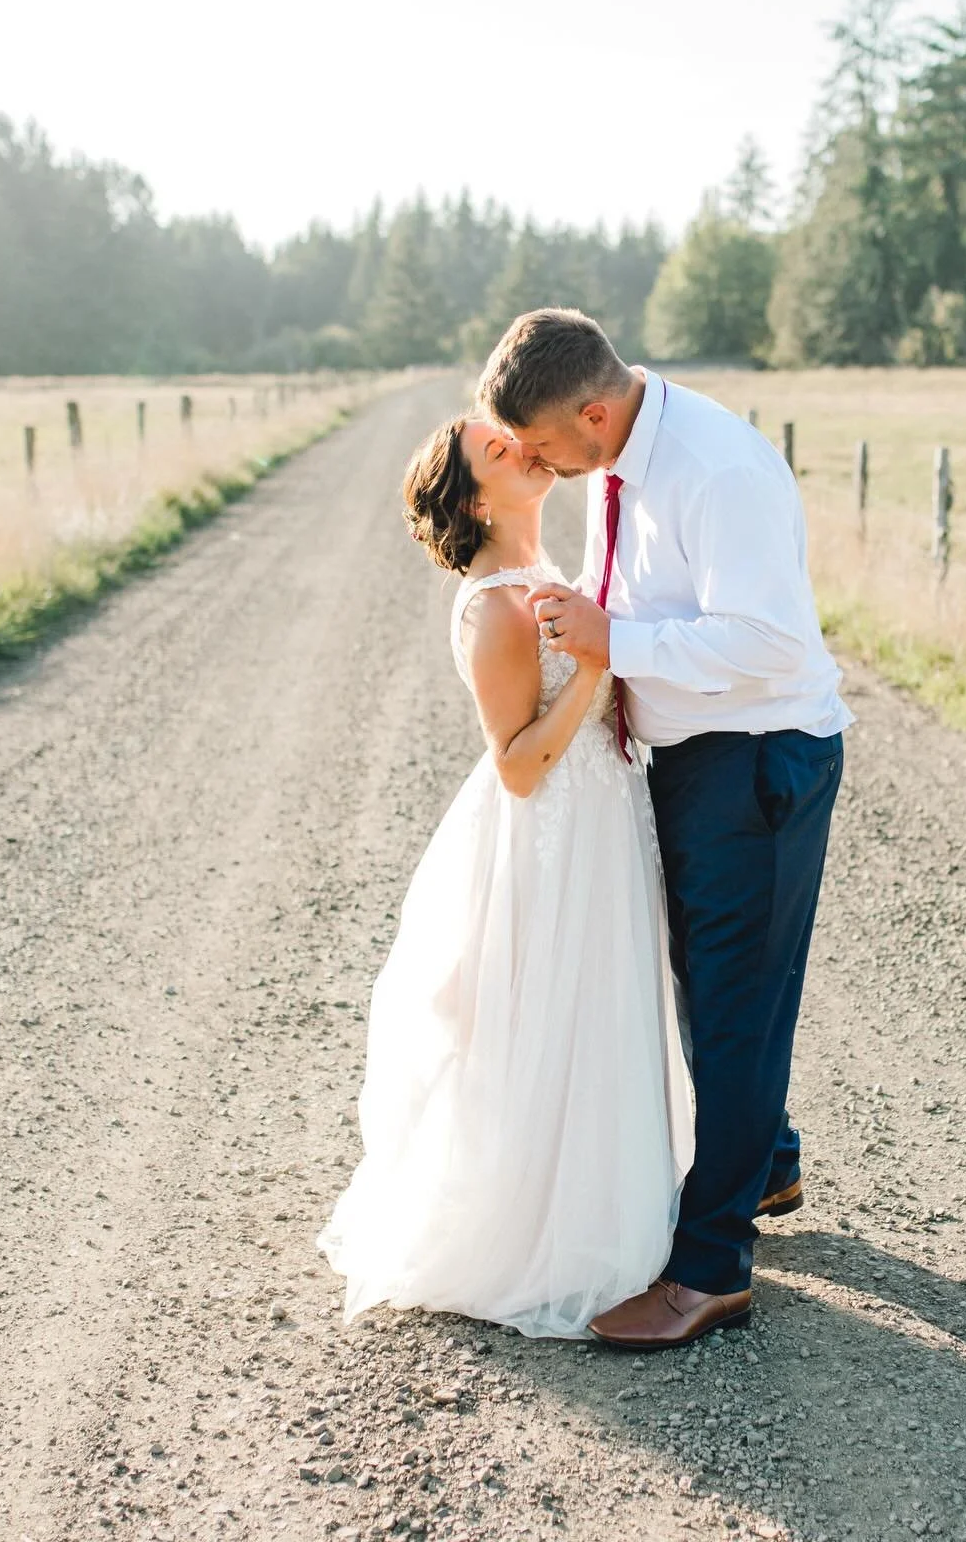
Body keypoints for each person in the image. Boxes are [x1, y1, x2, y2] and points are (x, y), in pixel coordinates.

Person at [477, 308, 850, 1351]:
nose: (538, 465)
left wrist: (615, 640)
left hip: (759, 757)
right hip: (694, 759)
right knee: (705, 978)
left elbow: (769, 643)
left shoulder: (713, 469)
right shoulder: (616, 452)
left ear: (594, 410)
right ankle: (767, 1161)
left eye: (547, 446)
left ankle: (711, 1270)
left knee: (734, 1008)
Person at [315, 412, 693, 1339]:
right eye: (498, 449)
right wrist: (597, 673)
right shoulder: (494, 605)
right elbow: (520, 765)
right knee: (550, 1015)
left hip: (604, 822)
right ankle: (552, 1234)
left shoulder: (552, 576)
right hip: (549, 837)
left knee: (602, 1010)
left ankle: (618, 1201)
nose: (523, 445)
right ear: (478, 498)